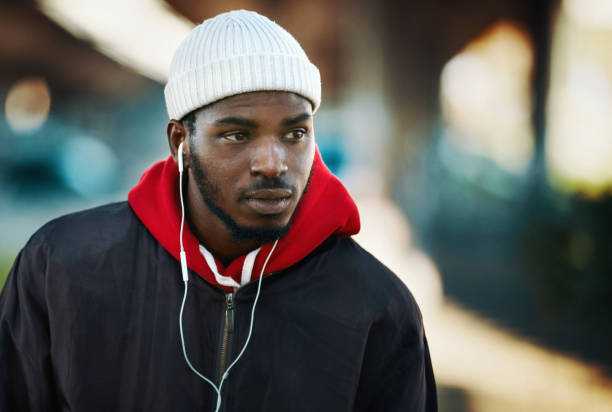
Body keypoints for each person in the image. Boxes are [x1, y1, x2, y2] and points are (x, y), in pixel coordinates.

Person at [0, 9, 437, 412]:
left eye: (295, 133)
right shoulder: (60, 267)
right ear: (180, 143)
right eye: (236, 135)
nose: (272, 163)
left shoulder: (378, 307)